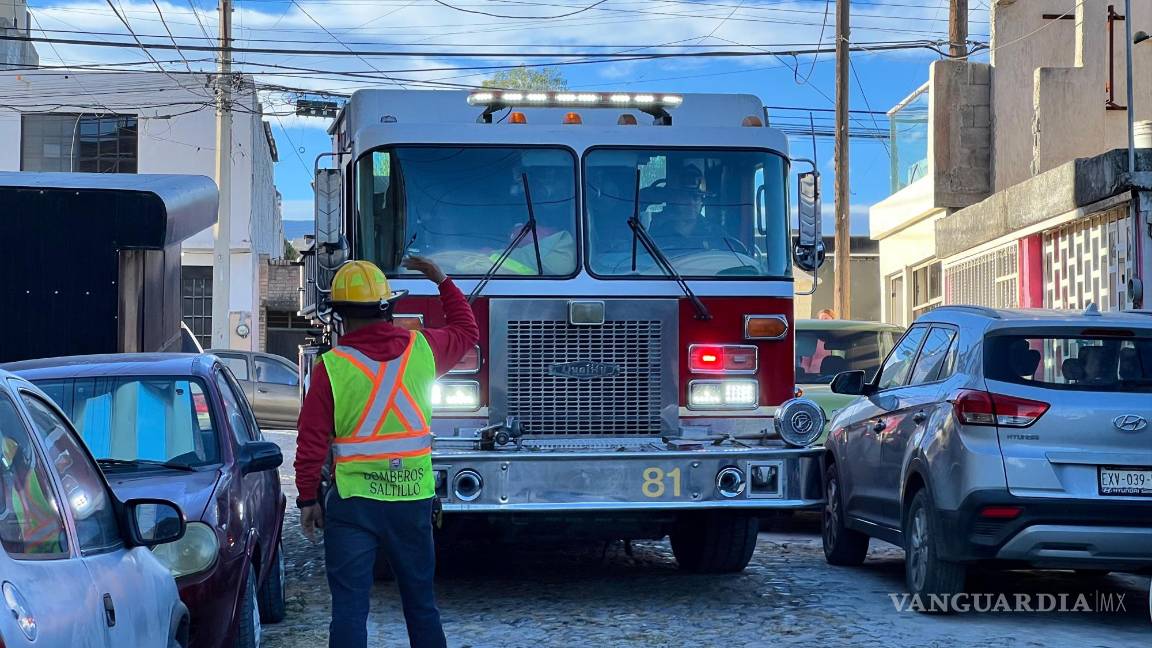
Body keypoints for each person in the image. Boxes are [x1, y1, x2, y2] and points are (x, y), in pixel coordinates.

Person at [295, 256, 479, 648]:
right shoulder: (424, 349)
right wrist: (441, 280)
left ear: (339, 317)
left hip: (352, 504)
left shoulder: (332, 367)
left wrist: (307, 498)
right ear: (389, 308)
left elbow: (311, 439)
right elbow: (467, 329)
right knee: (421, 605)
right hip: (411, 499)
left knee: (349, 610)